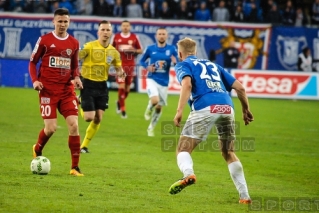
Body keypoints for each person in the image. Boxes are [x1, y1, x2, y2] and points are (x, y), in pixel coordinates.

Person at [168, 37, 254, 204]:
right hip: (227, 108)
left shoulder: (183, 64)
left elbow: (187, 85)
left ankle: (188, 174)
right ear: (196, 52)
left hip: (205, 106)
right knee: (228, 152)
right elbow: (240, 88)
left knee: (183, 149)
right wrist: (245, 110)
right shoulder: (214, 65)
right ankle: (245, 196)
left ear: (180, 54)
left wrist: (179, 111)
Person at [29, 8, 84, 176]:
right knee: (51, 128)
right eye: (59, 21)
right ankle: (38, 148)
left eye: (65, 21)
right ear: (53, 22)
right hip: (47, 91)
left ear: (69, 22)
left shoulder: (74, 43)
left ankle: (74, 167)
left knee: (74, 125)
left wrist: (76, 78)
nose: (62, 24)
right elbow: (32, 63)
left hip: (67, 91)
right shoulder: (45, 41)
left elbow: (74, 67)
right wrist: (35, 81)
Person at [79, 20, 125, 153]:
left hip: (102, 86)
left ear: (111, 33)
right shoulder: (89, 46)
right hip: (87, 83)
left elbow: (118, 68)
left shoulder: (114, 52)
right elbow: (75, 58)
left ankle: (84, 146)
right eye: (103, 30)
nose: (105, 32)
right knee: (88, 117)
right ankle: (80, 99)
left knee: (98, 118)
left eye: (108, 30)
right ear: (98, 32)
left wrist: (121, 73)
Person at [139, 27, 178, 137]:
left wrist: (175, 63)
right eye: (159, 34)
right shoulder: (150, 48)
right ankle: (148, 108)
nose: (161, 36)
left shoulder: (172, 49)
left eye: (163, 34)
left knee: (159, 107)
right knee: (155, 100)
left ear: (167, 36)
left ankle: (151, 127)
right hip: (152, 78)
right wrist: (147, 67)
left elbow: (178, 63)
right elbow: (142, 60)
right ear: (156, 36)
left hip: (164, 82)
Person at [112, 20, 143, 118]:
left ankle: (119, 102)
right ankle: (123, 110)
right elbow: (110, 49)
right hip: (120, 66)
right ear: (121, 27)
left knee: (127, 89)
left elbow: (140, 50)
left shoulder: (134, 37)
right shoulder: (116, 37)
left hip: (130, 66)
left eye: (127, 26)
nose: (125, 27)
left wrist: (133, 50)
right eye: (123, 26)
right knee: (121, 87)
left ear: (130, 27)